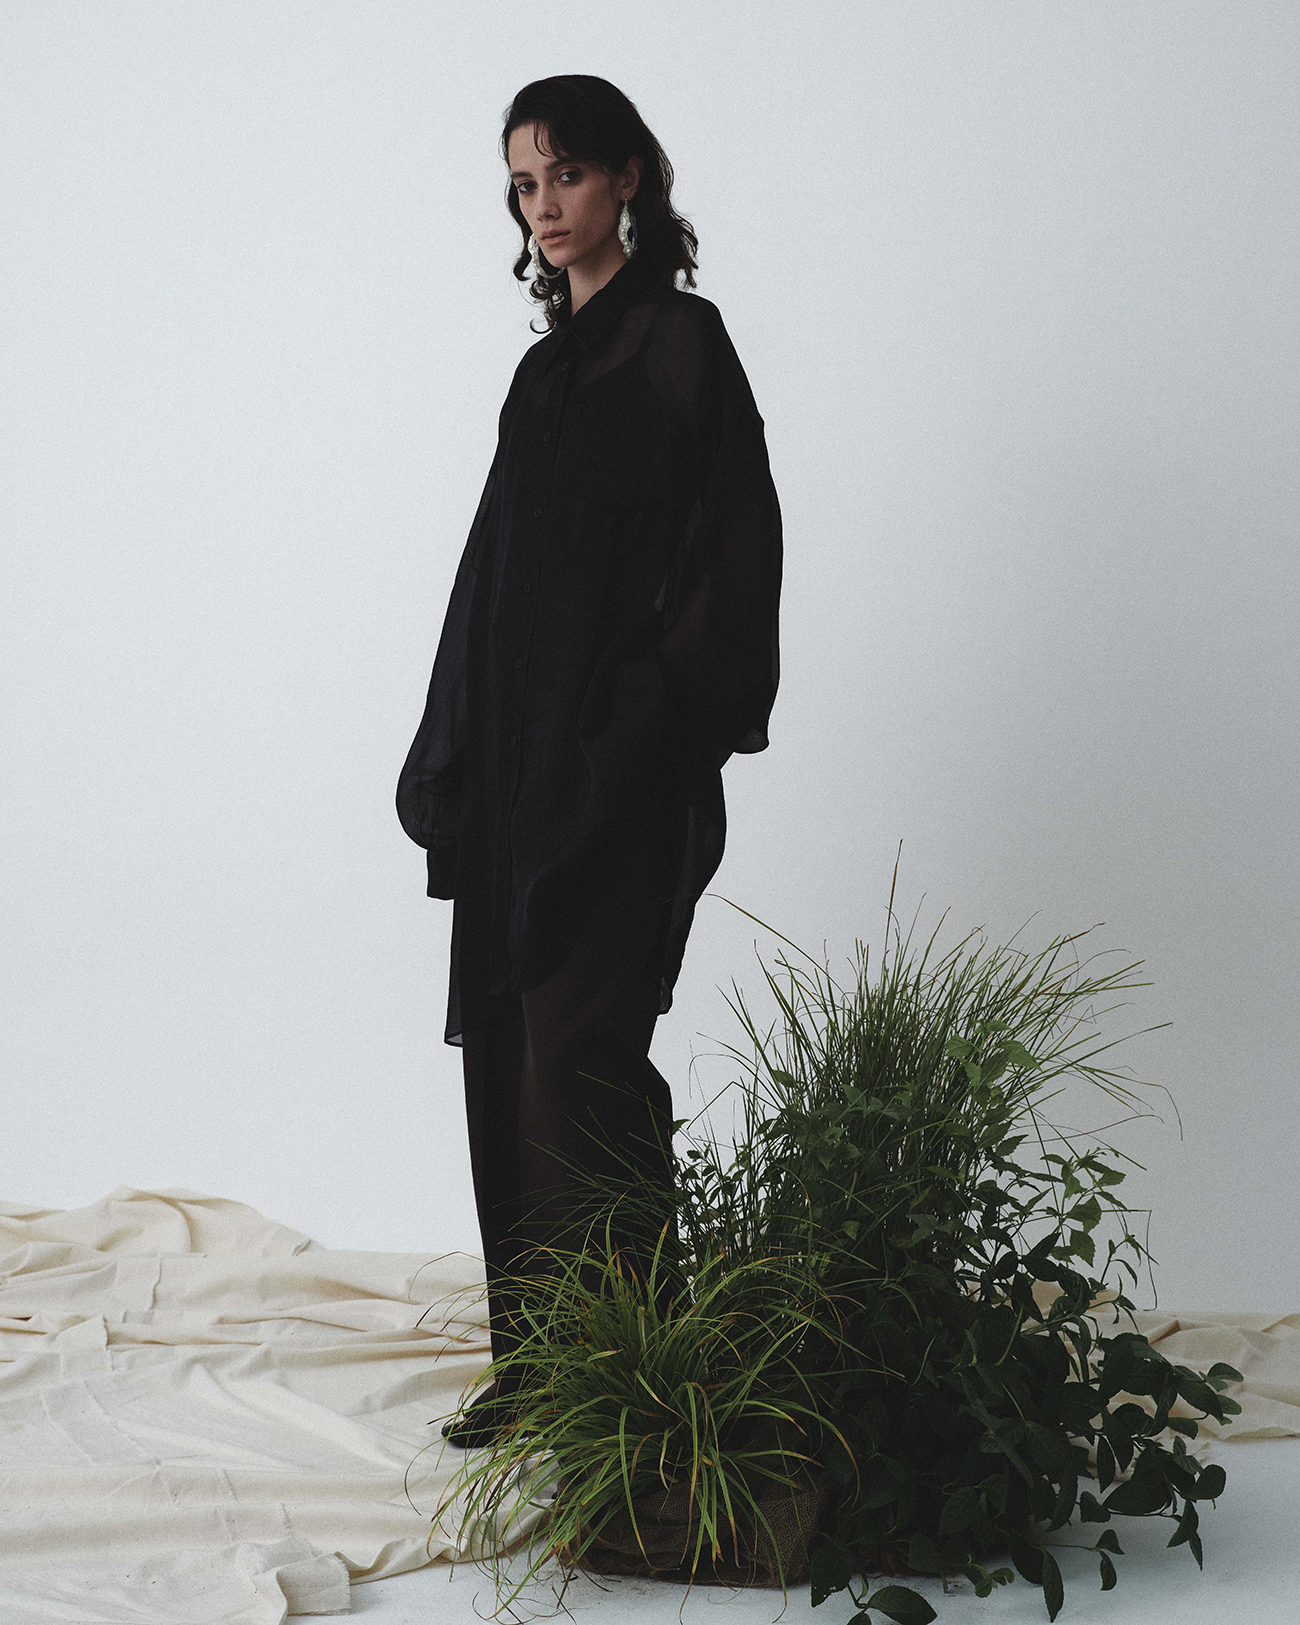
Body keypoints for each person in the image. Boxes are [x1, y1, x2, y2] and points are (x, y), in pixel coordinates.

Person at [396, 74, 782, 1448]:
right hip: (519, 775)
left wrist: (639, 728)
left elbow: (734, 559)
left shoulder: (682, 345)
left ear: (628, 177)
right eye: (523, 184)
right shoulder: (542, 375)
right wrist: (454, 747)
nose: (543, 206)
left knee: (584, 1059)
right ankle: (539, 1369)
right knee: (508, 1053)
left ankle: (636, 1381)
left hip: (622, 774)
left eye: (564, 173)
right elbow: (490, 579)